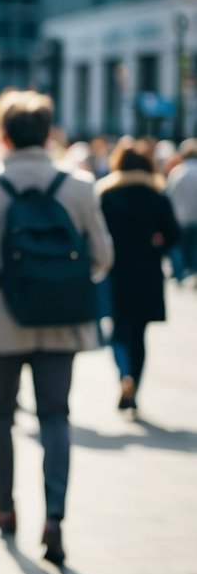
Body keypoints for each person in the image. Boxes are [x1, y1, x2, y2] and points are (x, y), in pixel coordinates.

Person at [0, 91, 113, 565]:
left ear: (3, 135)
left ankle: (6, 507)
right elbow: (103, 257)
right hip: (61, 321)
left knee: (0, 413)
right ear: (49, 134)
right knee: (56, 416)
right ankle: (56, 516)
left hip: (0, 317)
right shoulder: (80, 185)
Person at [98, 142, 180, 415]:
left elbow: (97, 235)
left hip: (116, 271)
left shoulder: (107, 195)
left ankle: (125, 376)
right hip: (146, 273)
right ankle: (135, 384)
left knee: (118, 330)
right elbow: (173, 235)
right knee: (139, 334)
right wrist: (157, 244)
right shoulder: (156, 195)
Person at [167, 139, 197, 286]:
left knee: (180, 246)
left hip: (180, 217)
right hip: (195, 216)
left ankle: (180, 273)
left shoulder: (177, 173)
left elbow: (169, 195)